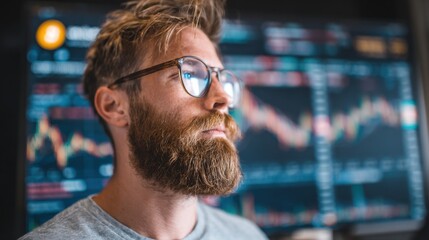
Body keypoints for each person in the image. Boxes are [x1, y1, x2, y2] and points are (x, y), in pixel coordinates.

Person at [19, 0, 269, 239]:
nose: (222, 98)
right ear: (115, 106)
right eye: (191, 74)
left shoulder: (247, 235)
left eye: (222, 79)